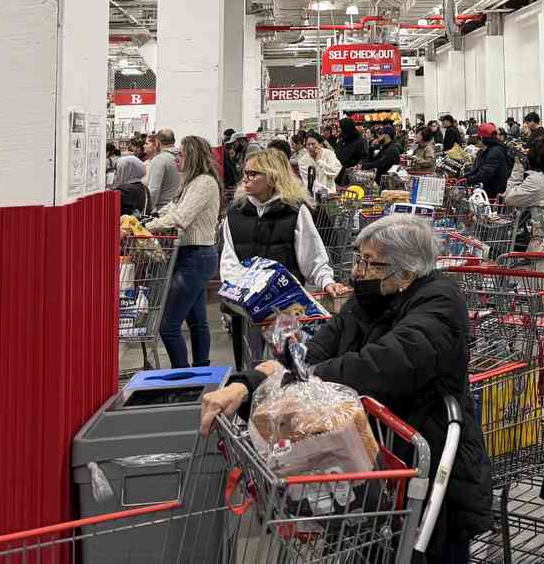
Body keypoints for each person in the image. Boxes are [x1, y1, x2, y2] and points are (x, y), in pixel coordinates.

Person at [200, 215, 492, 564]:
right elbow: (312, 351)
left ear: (408, 273)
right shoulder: (365, 302)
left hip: (426, 465)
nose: (358, 271)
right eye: (358, 258)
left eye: (370, 263)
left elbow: (384, 364)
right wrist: (247, 386)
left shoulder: (441, 303)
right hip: (366, 459)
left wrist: (307, 377)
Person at [221, 147, 345, 295]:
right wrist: (238, 290)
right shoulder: (235, 212)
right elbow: (229, 261)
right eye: (245, 173)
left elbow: (313, 256)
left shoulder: (295, 211)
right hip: (243, 303)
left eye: (253, 174)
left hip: (286, 302)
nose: (245, 179)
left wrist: (327, 282)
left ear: (273, 177)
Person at [144, 135, 222, 368]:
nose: (177, 158)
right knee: (197, 321)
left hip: (196, 256)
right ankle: (200, 372)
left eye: (182, 154)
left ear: (193, 156)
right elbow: (172, 209)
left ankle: (182, 376)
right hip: (193, 255)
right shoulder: (190, 182)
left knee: (168, 326)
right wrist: (154, 218)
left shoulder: (204, 183)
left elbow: (181, 217)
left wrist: (145, 228)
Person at [466, 121, 512, 200]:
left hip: (494, 193)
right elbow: (477, 169)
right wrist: (465, 177)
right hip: (490, 191)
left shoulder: (494, 152)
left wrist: (469, 180)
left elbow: (485, 173)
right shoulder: (488, 150)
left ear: (481, 138)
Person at [144, 128, 180, 212]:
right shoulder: (181, 156)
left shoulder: (159, 159)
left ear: (157, 143)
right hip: (179, 207)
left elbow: (154, 189)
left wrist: (147, 211)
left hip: (163, 209)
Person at [295, 134, 341, 198]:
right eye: (308, 144)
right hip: (312, 195)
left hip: (331, 194)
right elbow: (308, 181)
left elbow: (335, 171)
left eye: (313, 144)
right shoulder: (303, 161)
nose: (310, 147)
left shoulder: (329, 154)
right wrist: (324, 191)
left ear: (320, 144)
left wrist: (319, 161)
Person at [111, 145, 148, 215]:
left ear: (125, 170)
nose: (116, 173)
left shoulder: (123, 191)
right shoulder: (142, 186)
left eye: (118, 169)